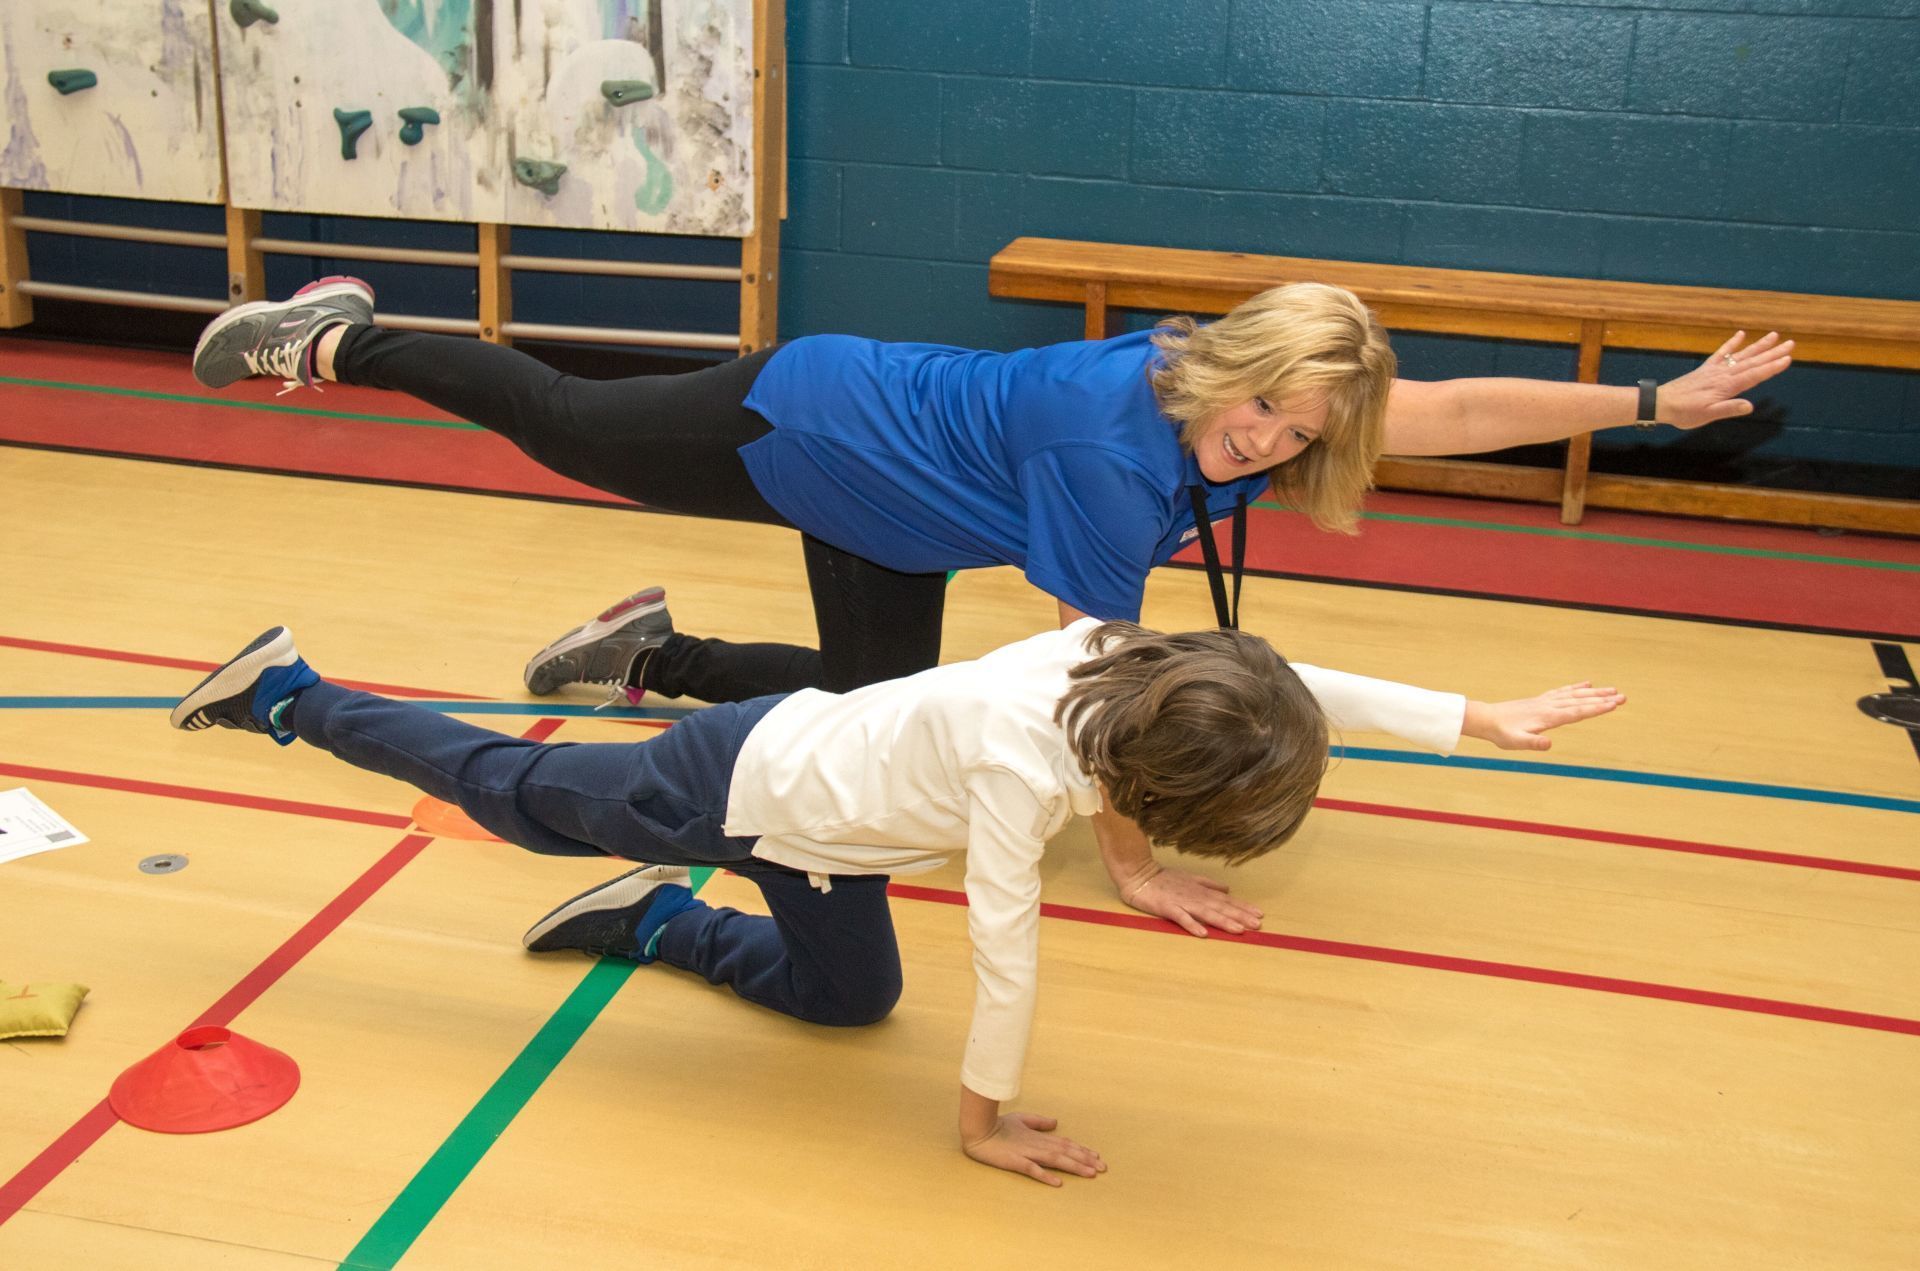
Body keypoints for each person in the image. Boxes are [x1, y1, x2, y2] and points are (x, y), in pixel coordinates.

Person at [188, 274, 1750, 936]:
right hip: (812, 429)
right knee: (576, 425)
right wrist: (1132, 869)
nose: (1270, 446)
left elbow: (1457, 409)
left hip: (912, 518)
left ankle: (648, 654)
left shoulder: (1260, 400)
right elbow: (1099, 697)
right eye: (1262, 415)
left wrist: (1660, 404)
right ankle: (344, 340)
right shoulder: (1106, 450)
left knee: (878, 721)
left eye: (1298, 431)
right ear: (1231, 373)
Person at [169, 618, 1623, 1184]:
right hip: (725, 790)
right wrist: (982, 1125)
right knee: (503, 791)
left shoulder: (1124, 662)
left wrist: (1475, 718)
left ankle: (656, 920)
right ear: (1142, 771)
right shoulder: (1013, 767)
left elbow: (1295, 685)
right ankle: (288, 696)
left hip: (824, 837)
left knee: (853, 999)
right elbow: (1006, 948)